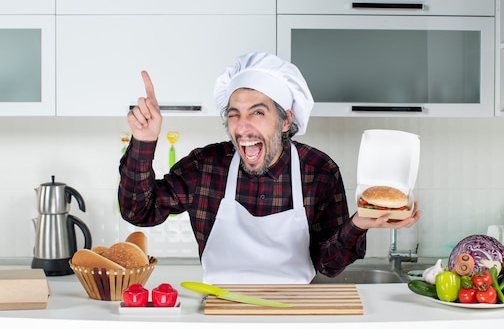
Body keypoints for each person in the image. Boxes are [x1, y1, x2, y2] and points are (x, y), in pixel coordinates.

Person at [119, 52, 421, 284]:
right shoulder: (206, 166)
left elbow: (328, 266)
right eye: (235, 114)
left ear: (286, 120)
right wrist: (144, 141)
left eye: (258, 112)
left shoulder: (319, 171)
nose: (243, 126)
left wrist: (360, 224)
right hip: (219, 313)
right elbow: (138, 211)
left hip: (293, 313)